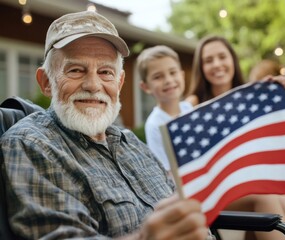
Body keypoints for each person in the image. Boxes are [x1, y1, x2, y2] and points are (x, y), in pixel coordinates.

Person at [0, 11, 209, 240]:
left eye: (105, 72)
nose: (93, 85)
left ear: (119, 83)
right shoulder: (32, 145)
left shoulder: (132, 143)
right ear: (46, 82)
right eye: (76, 70)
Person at [185, 35, 285, 240]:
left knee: (276, 195)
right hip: (214, 194)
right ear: (201, 67)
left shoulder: (251, 99)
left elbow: (272, 146)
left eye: (222, 57)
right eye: (209, 60)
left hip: (249, 186)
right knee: (266, 195)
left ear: (233, 61)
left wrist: (273, 93)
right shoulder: (191, 105)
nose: (217, 64)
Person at [137, 45, 192, 174]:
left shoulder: (188, 108)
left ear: (182, 75)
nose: (168, 80)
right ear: (145, 87)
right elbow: (167, 172)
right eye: (158, 77)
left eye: (173, 72)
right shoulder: (154, 125)